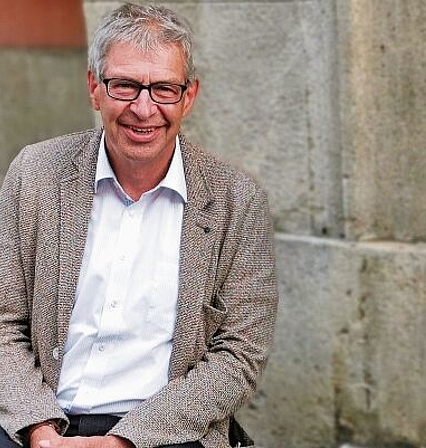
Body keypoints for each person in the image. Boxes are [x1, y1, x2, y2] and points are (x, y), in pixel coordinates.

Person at [0, 3, 278, 448]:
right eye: (125, 85)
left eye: (164, 89)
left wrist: (124, 441)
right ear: (95, 88)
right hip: (36, 421)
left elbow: (240, 355)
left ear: (189, 96)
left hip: (166, 431)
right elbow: (3, 323)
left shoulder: (236, 200)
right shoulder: (36, 174)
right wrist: (40, 431)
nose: (144, 109)